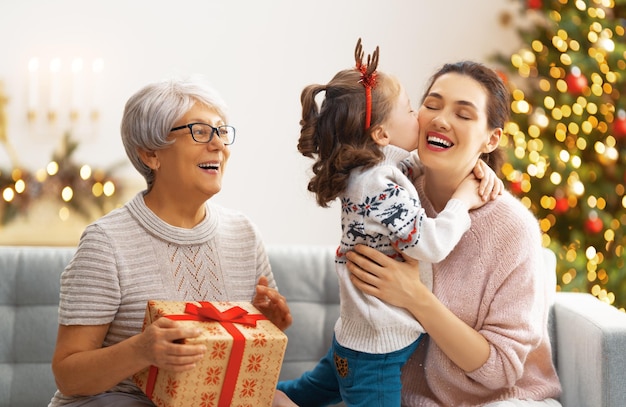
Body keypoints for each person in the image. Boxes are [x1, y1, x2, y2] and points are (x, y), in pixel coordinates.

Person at [277, 40, 502, 407]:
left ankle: (247, 395)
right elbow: (430, 244)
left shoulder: (373, 171)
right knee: (303, 394)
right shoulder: (378, 183)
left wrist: (474, 164)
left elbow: (407, 166)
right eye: (416, 109)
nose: (424, 119)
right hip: (375, 354)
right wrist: (463, 200)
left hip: (357, 340)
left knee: (300, 395)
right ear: (381, 134)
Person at [49, 76, 292, 407]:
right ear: (150, 154)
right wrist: (141, 349)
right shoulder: (106, 242)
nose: (219, 145)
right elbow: (68, 374)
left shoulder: (244, 234)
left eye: (221, 131)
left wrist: (268, 327)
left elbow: (241, 354)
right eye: (200, 132)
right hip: (118, 400)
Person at [344, 61, 562, 406]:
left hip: (500, 399)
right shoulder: (391, 194)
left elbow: (500, 370)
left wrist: (415, 297)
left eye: (464, 114)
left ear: (491, 139)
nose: (441, 119)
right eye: (431, 105)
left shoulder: (513, 229)